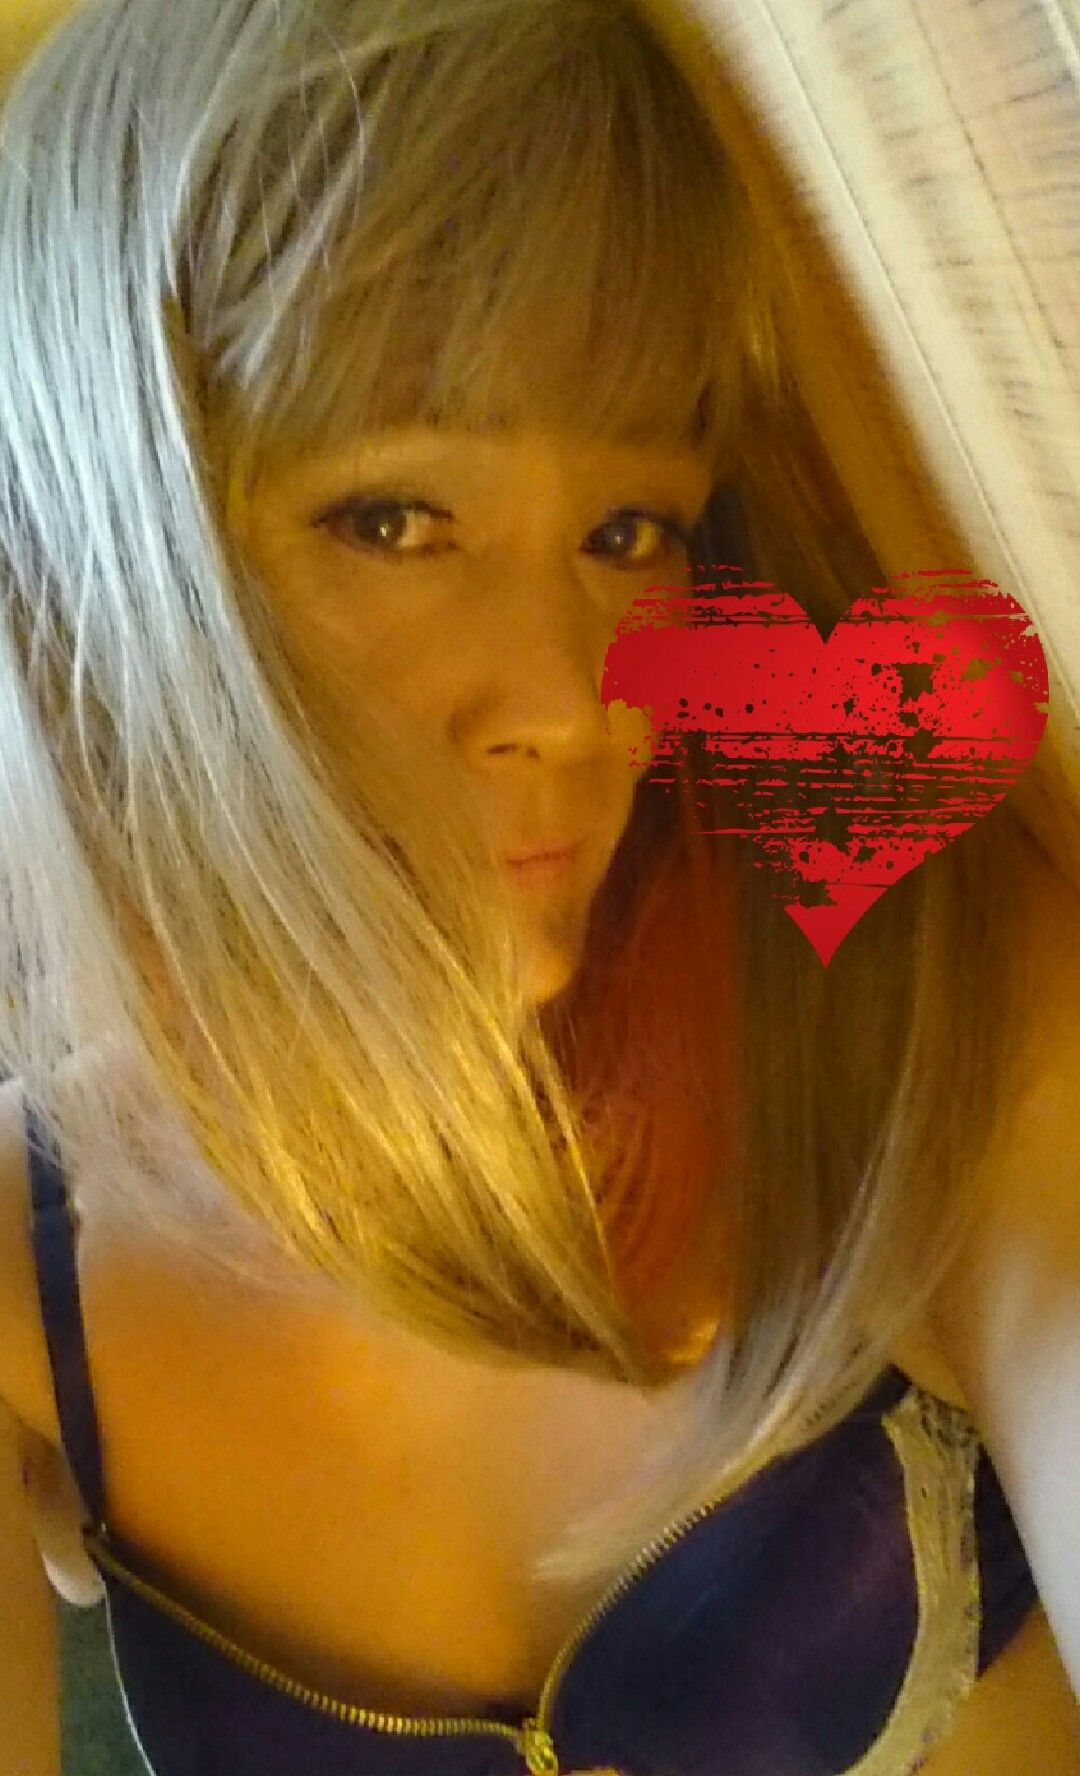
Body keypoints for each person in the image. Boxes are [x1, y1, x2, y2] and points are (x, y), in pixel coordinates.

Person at [0, 1, 1078, 1772]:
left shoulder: (907, 1010)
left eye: (626, 533)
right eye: (391, 520)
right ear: (100, 547)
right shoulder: (26, 1266)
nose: (579, 699)